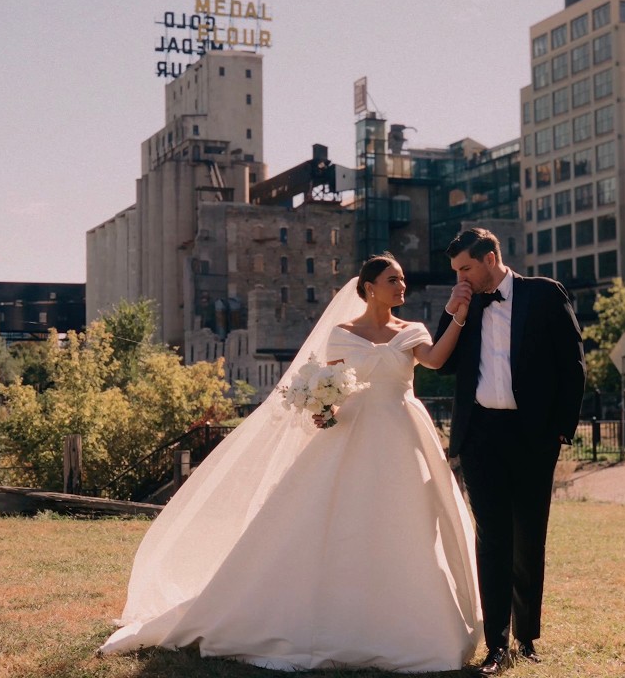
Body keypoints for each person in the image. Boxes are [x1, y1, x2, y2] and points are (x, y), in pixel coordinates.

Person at [100, 253, 483, 671]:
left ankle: (416, 626)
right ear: (370, 287)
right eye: (394, 279)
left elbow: (436, 360)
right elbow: (336, 387)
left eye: (403, 280)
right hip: (351, 435)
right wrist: (324, 409)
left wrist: (457, 316)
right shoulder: (342, 334)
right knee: (336, 522)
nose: (402, 286)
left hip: (403, 435)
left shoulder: (412, 330)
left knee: (406, 523)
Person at [433, 228, 585, 675]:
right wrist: (453, 309)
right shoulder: (466, 304)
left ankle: (527, 636)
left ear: (491, 257)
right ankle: (495, 644)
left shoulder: (545, 295)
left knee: (528, 537)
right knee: (493, 539)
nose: (461, 277)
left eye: (466, 268)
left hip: (534, 436)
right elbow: (447, 365)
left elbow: (572, 366)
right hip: (481, 436)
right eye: (456, 270)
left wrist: (560, 431)